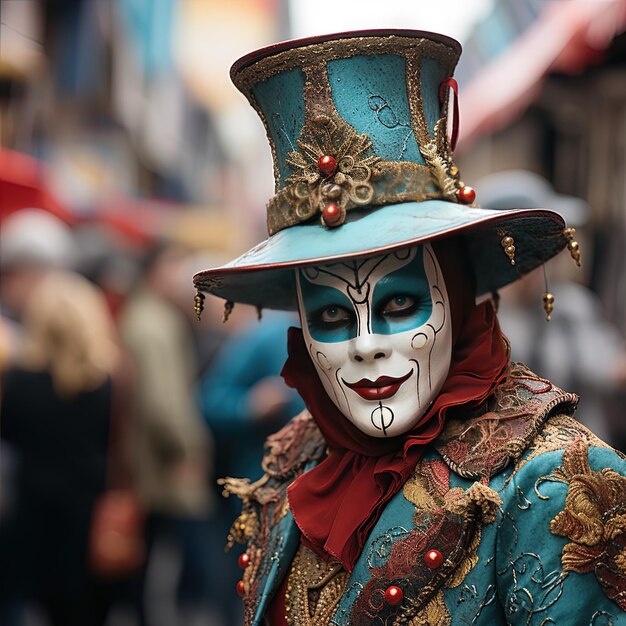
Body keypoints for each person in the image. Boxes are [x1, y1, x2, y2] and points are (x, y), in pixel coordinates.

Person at [192, 31, 626, 625]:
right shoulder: (297, 458)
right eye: (332, 316)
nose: (366, 346)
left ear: (458, 296)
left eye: (399, 306)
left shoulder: (558, 482)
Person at [0, 270, 128, 626]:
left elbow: (9, 434)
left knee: (38, 604)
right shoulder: (106, 380)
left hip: (32, 508)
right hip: (89, 509)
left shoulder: (19, 379)